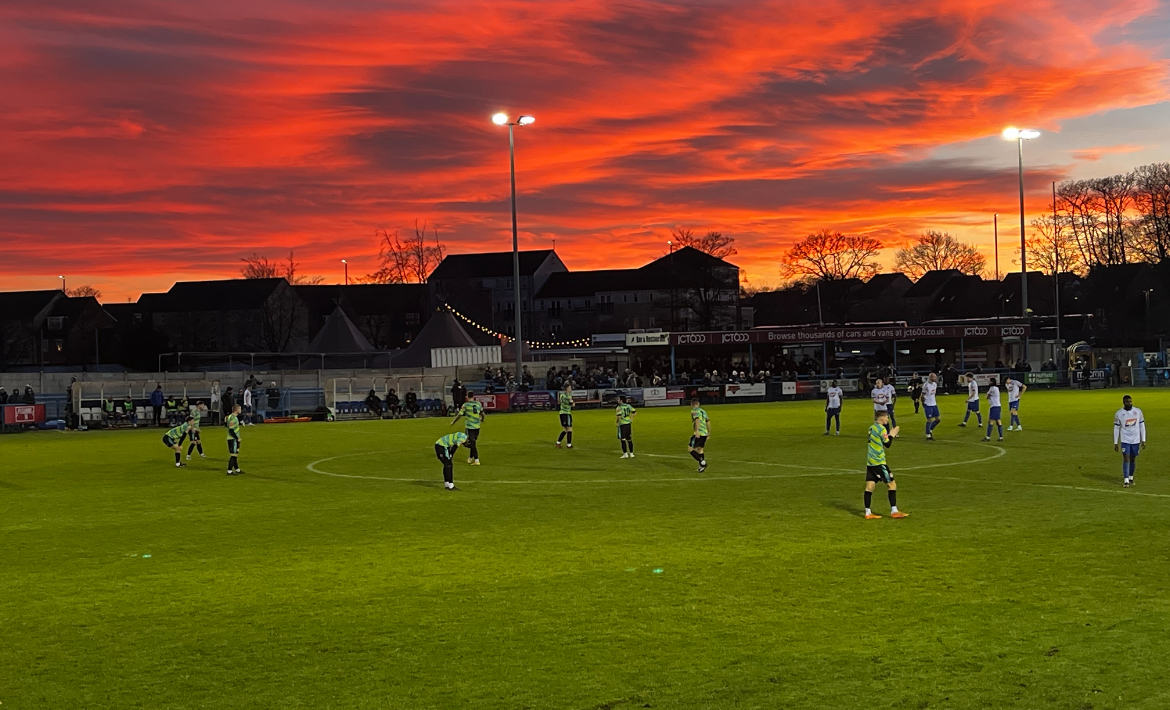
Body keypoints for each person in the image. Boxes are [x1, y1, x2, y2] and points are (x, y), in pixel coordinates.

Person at [864, 410, 908, 519]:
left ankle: (868, 512)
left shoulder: (871, 427)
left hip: (870, 462)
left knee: (870, 486)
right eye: (886, 417)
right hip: (879, 462)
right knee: (892, 485)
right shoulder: (881, 428)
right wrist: (892, 434)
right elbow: (887, 444)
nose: (887, 419)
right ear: (882, 418)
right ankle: (894, 511)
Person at [1114, 395, 1146, 488]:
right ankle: (1126, 480)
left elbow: (1142, 426)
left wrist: (1143, 439)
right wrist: (1115, 442)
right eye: (1128, 402)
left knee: (1133, 459)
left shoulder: (1138, 412)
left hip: (1136, 440)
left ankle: (1131, 477)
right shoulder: (1119, 413)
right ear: (1123, 402)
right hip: (1125, 440)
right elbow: (1116, 428)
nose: (1130, 403)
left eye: (1131, 402)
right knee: (1126, 458)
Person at [450, 398, 484, 465]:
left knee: (468, 443)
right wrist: (482, 419)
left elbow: (460, 414)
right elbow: (482, 413)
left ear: (467, 397)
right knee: (473, 442)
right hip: (477, 426)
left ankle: (476, 460)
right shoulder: (478, 404)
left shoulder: (466, 405)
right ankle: (471, 458)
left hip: (470, 426)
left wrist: (454, 421)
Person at [688, 399, 709, 472]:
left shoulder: (694, 411)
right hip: (705, 433)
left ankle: (703, 463)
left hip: (699, 433)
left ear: (691, 404)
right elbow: (708, 421)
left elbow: (697, 420)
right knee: (700, 449)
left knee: (690, 449)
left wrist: (696, 431)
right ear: (699, 403)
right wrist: (709, 432)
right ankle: (701, 467)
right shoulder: (703, 411)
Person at [982, 377, 1003, 442]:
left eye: (989, 381)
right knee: (998, 421)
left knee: (990, 421)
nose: (988, 382)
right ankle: (1001, 437)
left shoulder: (992, 388)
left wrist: (987, 394)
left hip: (994, 406)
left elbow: (987, 397)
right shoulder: (996, 388)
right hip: (998, 406)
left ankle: (988, 437)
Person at [922, 372, 941, 440]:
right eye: (934, 377)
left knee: (938, 419)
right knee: (929, 419)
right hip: (928, 404)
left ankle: (930, 430)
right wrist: (924, 403)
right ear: (931, 377)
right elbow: (922, 395)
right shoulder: (926, 385)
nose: (936, 378)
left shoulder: (935, 384)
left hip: (934, 404)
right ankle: (928, 435)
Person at [226, 403, 243, 476]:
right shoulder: (232, 418)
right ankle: (229, 471)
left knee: (235, 454)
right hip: (232, 439)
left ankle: (237, 469)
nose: (241, 410)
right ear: (237, 409)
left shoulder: (232, 417)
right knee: (233, 455)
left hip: (233, 439)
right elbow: (230, 430)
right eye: (240, 409)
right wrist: (237, 438)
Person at [556, 383, 574, 449]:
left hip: (562, 413)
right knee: (569, 429)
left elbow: (560, 402)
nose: (571, 389)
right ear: (567, 388)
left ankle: (558, 442)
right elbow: (572, 404)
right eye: (570, 387)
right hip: (566, 413)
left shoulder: (562, 395)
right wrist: (572, 402)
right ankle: (569, 445)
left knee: (566, 429)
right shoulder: (568, 396)